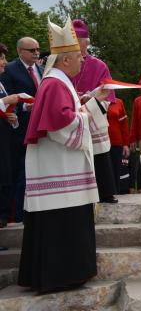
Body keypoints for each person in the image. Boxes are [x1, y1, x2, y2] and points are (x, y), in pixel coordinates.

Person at [18, 17, 108, 293]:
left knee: (60, 224)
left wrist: (89, 102)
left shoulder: (55, 81)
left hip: (58, 168)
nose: (84, 60)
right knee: (64, 225)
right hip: (60, 171)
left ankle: (58, 274)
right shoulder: (56, 84)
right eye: (79, 57)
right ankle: (63, 275)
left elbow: (64, 114)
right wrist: (91, 108)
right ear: (66, 60)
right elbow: (61, 126)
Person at [70, 19, 117, 203]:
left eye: (77, 42)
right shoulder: (63, 62)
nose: (75, 46)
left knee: (99, 154)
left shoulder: (99, 65)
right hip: (71, 114)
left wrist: (90, 100)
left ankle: (105, 191)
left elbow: (109, 95)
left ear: (86, 43)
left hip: (92, 114)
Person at [0, 37, 43, 222]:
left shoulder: (42, 70)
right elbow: (7, 98)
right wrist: (18, 107)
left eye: (38, 49)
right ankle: (16, 214)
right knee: (17, 175)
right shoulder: (10, 70)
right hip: (16, 134)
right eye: (32, 50)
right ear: (20, 51)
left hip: (38, 129)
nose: (36, 53)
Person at [0, 43, 20, 228]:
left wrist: (12, 117)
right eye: (1, 58)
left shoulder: (1, 83)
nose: (4, 62)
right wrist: (5, 102)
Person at [107, 97, 130, 192]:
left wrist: (125, 144)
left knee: (116, 170)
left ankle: (116, 193)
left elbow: (124, 125)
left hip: (116, 142)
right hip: (99, 143)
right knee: (103, 170)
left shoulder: (118, 102)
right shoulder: (93, 100)